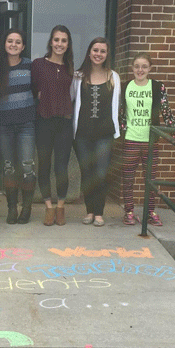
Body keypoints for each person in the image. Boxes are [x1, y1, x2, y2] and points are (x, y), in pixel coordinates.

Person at [119, 51, 175, 226]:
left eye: (144, 66)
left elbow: (166, 111)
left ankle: (150, 212)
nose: (140, 70)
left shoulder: (157, 86)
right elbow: (121, 113)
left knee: (150, 180)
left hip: (150, 141)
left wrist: (174, 133)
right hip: (130, 139)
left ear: (150, 68)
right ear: (132, 68)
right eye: (137, 66)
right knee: (128, 179)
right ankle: (129, 211)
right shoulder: (125, 86)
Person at [72, 38, 120, 226]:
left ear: (107, 55)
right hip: (82, 134)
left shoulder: (113, 76)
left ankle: (99, 212)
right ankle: (89, 211)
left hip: (105, 134)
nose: (98, 54)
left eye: (102, 51)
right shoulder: (78, 76)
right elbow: (71, 99)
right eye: (95, 50)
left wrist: (117, 131)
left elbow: (116, 105)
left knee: (101, 173)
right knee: (87, 173)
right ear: (89, 52)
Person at [31, 25, 74, 226]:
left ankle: (60, 207)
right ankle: (48, 207)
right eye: (56, 40)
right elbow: (32, 90)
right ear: (51, 42)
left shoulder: (72, 68)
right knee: (45, 165)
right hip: (44, 122)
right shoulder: (39, 64)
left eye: (63, 41)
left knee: (61, 167)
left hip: (64, 123)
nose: (59, 44)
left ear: (68, 44)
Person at [0, 29, 36, 224]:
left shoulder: (30, 65)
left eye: (18, 42)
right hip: (4, 124)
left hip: (26, 124)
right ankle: (12, 208)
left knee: (27, 167)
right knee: (9, 167)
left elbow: (38, 90)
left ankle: (26, 208)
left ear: (23, 46)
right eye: (10, 41)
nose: (13, 45)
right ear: (5, 43)